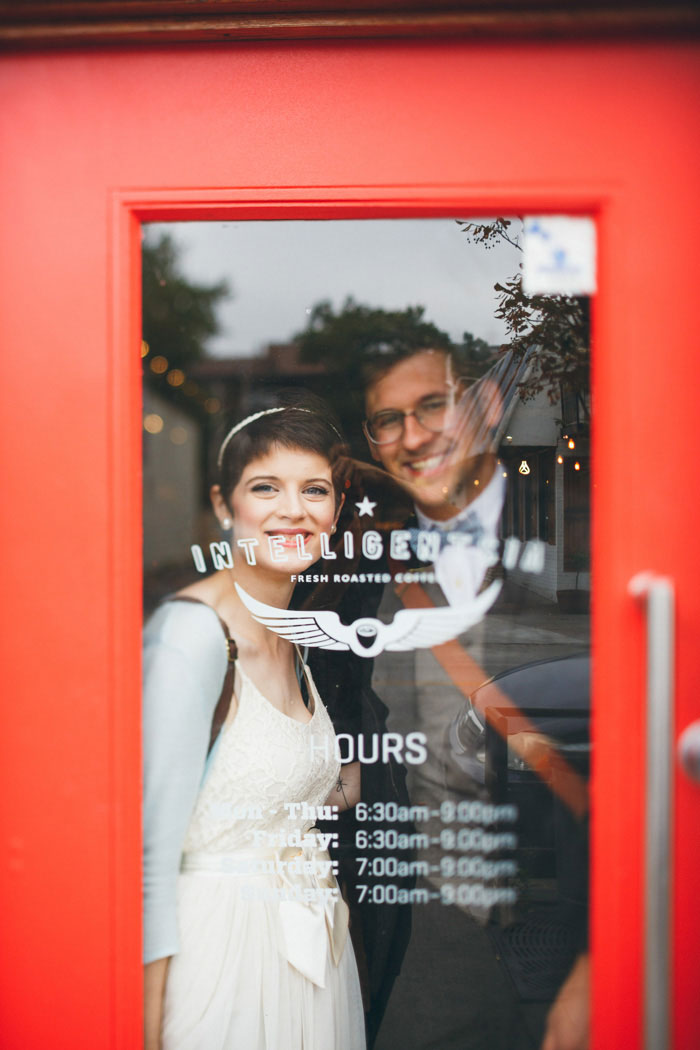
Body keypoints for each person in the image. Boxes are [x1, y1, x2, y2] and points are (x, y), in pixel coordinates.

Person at [360, 346, 590, 1050]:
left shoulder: (579, 519)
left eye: (433, 406)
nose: (413, 434)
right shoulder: (385, 549)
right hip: (427, 864)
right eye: (388, 420)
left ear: (484, 410)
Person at [142, 399, 367, 1050]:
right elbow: (149, 860)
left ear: (336, 512)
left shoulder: (290, 635)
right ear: (223, 505)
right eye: (265, 487)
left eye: (315, 490)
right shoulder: (194, 635)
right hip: (223, 964)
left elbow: (254, 793)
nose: (292, 510)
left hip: (305, 956)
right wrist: (145, 1031)